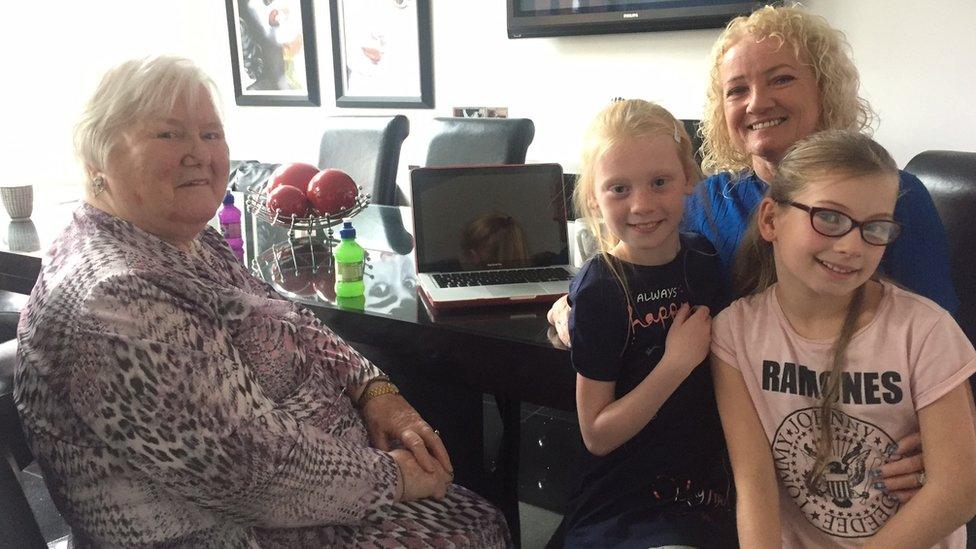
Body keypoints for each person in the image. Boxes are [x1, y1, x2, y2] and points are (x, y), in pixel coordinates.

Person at [14, 56, 510, 548]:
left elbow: (291, 318)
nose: (198, 154)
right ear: (98, 158)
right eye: (168, 135)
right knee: (474, 527)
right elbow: (248, 470)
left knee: (472, 503)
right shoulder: (115, 300)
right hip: (232, 532)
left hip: (312, 501)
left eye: (210, 134)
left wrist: (372, 387)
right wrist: (394, 479)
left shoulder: (183, 240)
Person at [548, 4, 946, 502]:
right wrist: (573, 299)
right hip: (730, 456)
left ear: (823, 90)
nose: (757, 102)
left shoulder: (893, 197)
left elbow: (947, 351)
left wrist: (942, 446)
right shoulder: (702, 201)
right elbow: (636, 259)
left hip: (863, 454)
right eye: (737, 89)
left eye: (781, 79)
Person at [711, 130, 976, 548]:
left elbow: (958, 491)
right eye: (829, 218)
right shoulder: (734, 334)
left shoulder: (926, 331)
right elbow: (755, 485)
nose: (852, 245)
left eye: (876, 227)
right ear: (770, 220)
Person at [562, 99, 735, 548]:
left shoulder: (703, 258)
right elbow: (597, 433)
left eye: (660, 182)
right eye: (619, 188)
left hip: (704, 489)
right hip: (627, 500)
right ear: (594, 200)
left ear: (688, 181)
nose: (641, 205)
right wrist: (674, 365)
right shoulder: (601, 287)